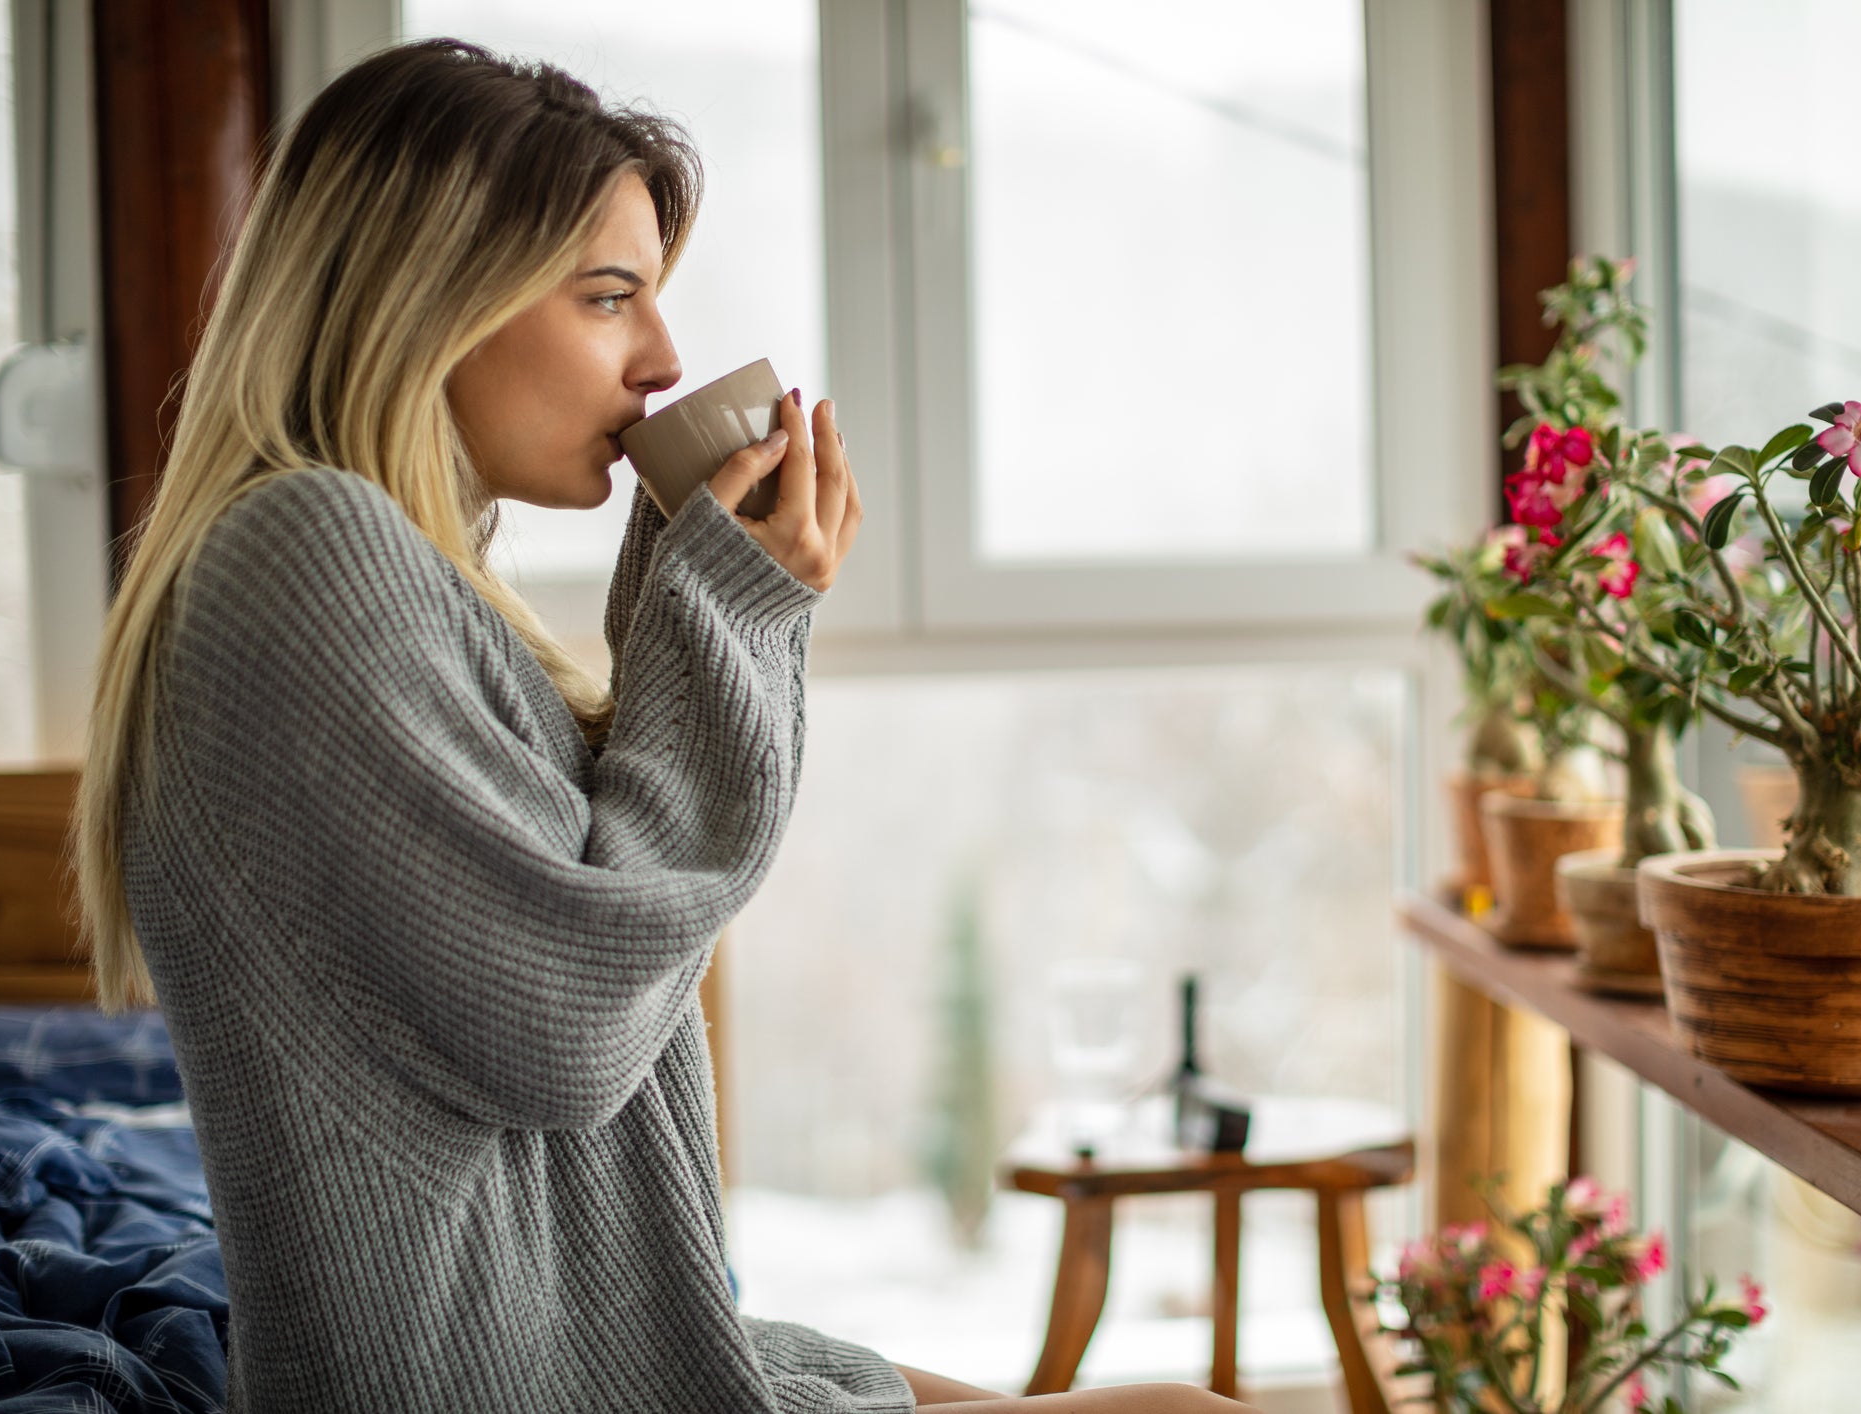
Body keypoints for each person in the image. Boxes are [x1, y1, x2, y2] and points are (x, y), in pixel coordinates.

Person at [70, 37, 1252, 1414]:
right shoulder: (310, 547)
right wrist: (731, 617)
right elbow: (570, 1027)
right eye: (608, 297)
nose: (663, 359)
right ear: (421, 300)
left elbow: (585, 926)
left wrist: (709, 610)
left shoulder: (410, 577)